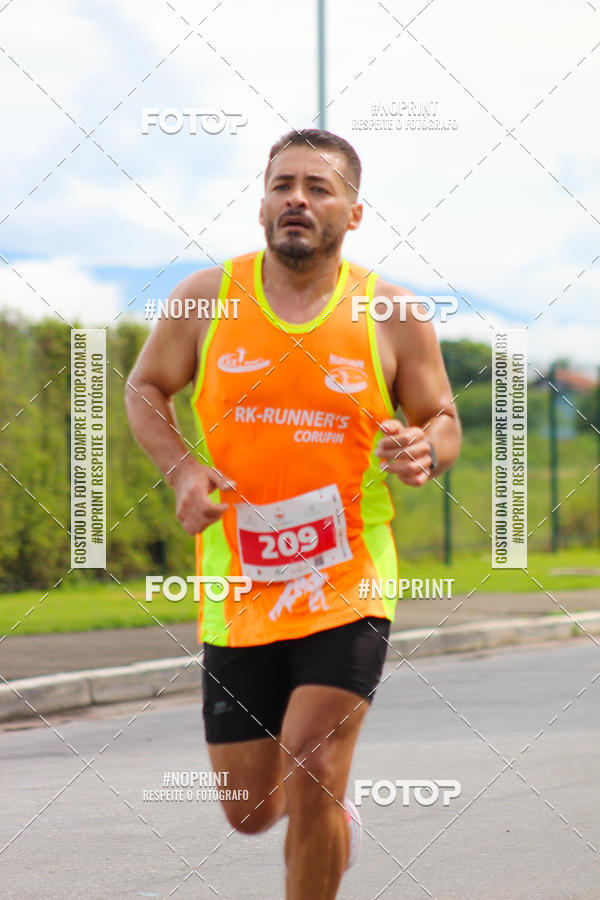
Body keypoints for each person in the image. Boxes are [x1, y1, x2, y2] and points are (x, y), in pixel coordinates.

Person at [125, 128, 461, 899]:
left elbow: (441, 416)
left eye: (318, 187)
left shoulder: (392, 312)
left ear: (354, 210)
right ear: (263, 203)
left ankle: (324, 806)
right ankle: (331, 819)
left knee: (313, 763)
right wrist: (181, 469)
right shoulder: (207, 299)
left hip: (348, 581)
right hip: (239, 589)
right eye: (283, 185)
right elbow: (145, 389)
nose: (298, 200)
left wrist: (425, 450)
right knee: (250, 809)